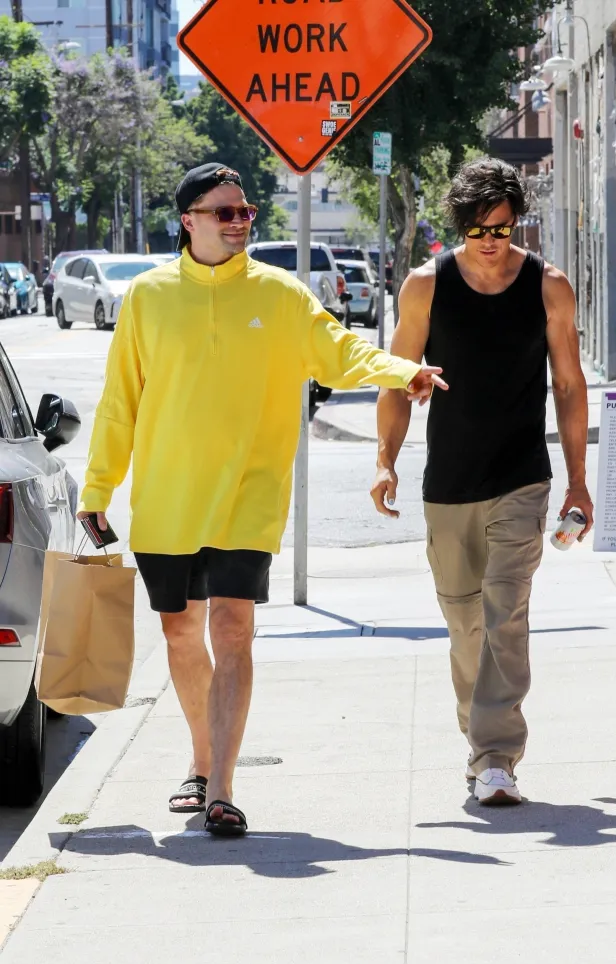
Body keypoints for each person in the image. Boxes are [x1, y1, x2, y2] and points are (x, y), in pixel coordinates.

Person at [77, 162, 443, 836]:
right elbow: (119, 402)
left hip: (250, 495)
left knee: (233, 627)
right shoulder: (147, 298)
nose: (241, 221)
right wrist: (99, 486)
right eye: (225, 212)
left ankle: (222, 786)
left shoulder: (280, 295)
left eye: (246, 211)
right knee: (180, 631)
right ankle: (199, 756)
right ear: (188, 220)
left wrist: (403, 370)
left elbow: (336, 351)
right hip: (167, 499)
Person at [371, 157, 593, 805]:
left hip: (523, 476)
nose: (491, 244)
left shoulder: (549, 287)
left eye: (501, 229)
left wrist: (578, 481)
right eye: (478, 231)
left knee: (506, 612)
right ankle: (480, 738)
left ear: (516, 222)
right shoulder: (425, 287)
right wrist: (386, 458)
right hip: (449, 482)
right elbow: (394, 378)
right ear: (460, 229)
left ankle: (497, 754)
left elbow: (571, 384)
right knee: (465, 622)